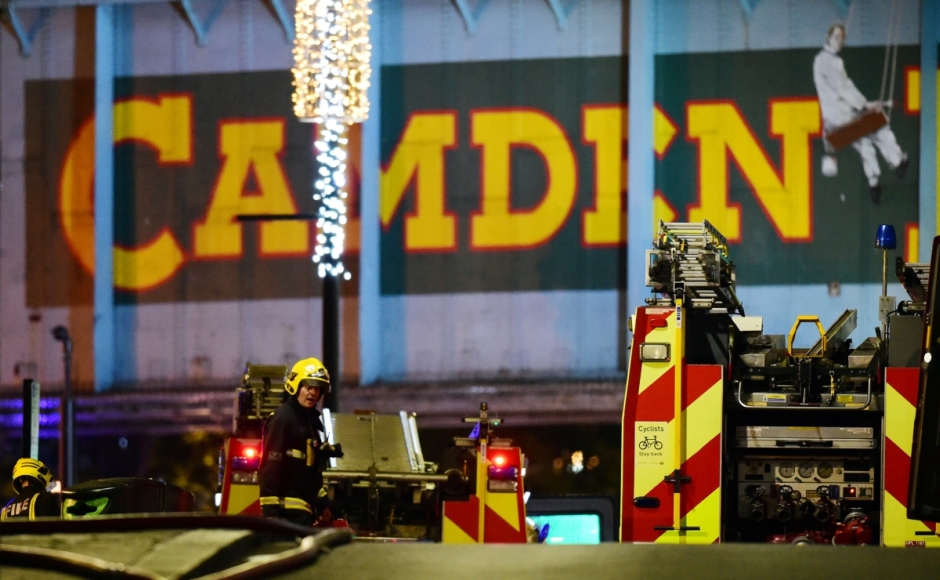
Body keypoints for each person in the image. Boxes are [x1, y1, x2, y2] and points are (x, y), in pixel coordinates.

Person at [813, 23, 908, 205]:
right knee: (879, 123)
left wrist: (864, 104)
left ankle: (874, 185)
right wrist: (865, 105)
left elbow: (844, 87)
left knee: (865, 144)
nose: (839, 41)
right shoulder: (829, 61)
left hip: (835, 126)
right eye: (836, 37)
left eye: (842, 38)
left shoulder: (825, 61)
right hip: (841, 121)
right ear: (828, 38)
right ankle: (898, 161)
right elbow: (843, 89)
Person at [258, 357, 343, 526]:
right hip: (286, 514)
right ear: (295, 386)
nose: (313, 393)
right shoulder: (283, 418)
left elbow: (310, 472)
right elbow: (270, 468)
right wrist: (271, 515)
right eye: (308, 387)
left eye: (317, 389)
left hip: (303, 513)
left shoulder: (309, 423)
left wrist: (323, 503)